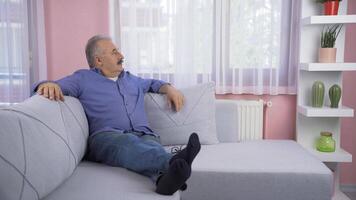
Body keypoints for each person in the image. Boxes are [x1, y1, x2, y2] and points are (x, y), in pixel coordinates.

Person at [33, 35, 201, 195]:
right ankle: (173, 160)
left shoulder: (131, 79)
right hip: (107, 137)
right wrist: (47, 84)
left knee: (150, 147)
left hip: (145, 134)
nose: (121, 55)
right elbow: (52, 85)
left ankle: (164, 182)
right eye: (114, 52)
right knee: (128, 144)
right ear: (98, 60)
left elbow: (153, 83)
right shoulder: (82, 78)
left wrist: (169, 89)